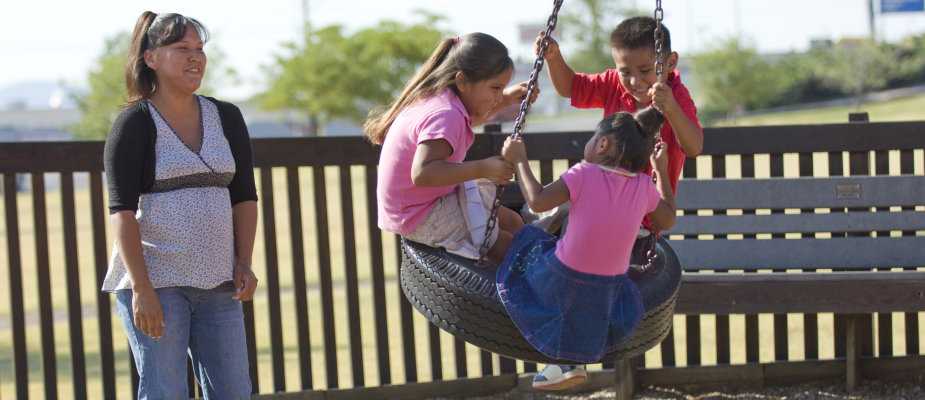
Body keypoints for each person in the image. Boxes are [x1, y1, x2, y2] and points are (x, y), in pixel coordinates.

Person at [529, 16, 704, 389]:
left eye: (646, 71)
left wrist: (670, 107)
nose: (636, 81)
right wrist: (554, 58)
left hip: (637, 218)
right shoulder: (612, 85)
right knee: (556, 238)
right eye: (626, 71)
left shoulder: (676, 95)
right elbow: (571, 88)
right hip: (602, 207)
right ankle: (559, 344)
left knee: (576, 266)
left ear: (669, 64)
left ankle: (567, 355)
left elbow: (694, 145)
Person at [102, 11, 258, 399]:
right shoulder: (134, 123)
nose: (195, 58)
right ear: (151, 58)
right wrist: (141, 289)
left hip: (219, 283)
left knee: (234, 392)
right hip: (157, 285)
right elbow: (121, 211)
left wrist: (244, 262)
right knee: (165, 391)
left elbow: (244, 196)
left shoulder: (227, 117)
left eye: (200, 49)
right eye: (181, 49)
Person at [499, 109, 677, 391]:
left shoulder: (584, 174)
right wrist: (661, 172)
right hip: (609, 288)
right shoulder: (644, 185)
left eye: (593, 137)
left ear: (603, 144)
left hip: (561, 277)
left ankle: (562, 362)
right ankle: (568, 364)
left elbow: (537, 201)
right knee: (584, 294)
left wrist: (519, 158)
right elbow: (668, 219)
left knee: (529, 242)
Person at [365, 32, 536, 264]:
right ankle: (538, 283)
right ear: (462, 81)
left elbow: (466, 122)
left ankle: (542, 266)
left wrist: (505, 98)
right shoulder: (446, 114)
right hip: (419, 214)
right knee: (503, 246)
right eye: (495, 88)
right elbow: (423, 172)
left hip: (422, 204)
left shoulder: (442, 101)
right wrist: (482, 168)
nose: (498, 96)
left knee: (513, 223)